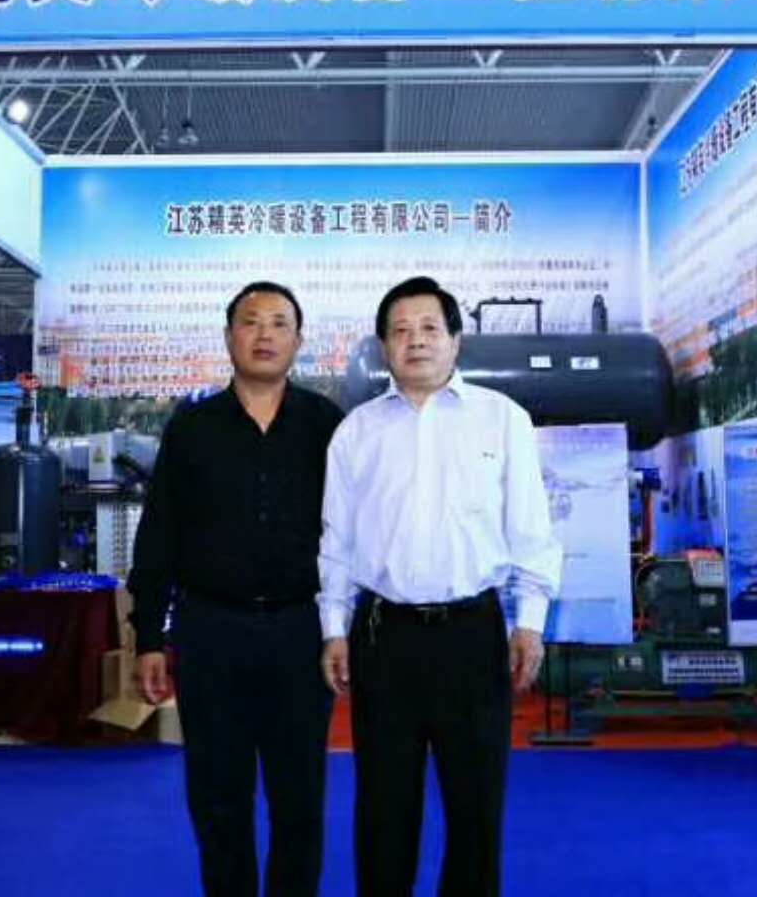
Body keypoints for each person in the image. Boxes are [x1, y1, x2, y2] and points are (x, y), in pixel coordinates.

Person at [319, 276, 560, 897]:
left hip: (472, 635)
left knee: (476, 807)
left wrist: (530, 623)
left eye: (429, 328)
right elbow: (336, 543)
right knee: (383, 808)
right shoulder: (356, 433)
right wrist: (333, 630)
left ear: (456, 340)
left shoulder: (502, 420)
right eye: (400, 331)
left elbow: (531, 531)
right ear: (383, 346)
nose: (415, 341)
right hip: (384, 637)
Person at [128, 281, 344, 897]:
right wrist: (149, 637)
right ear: (229, 338)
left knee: (299, 799)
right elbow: (159, 536)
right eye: (251, 322)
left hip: (300, 633)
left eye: (279, 323)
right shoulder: (193, 427)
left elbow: (353, 534)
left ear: (298, 341)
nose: (265, 334)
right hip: (211, 633)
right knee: (218, 798)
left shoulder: (328, 426)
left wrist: (345, 627)